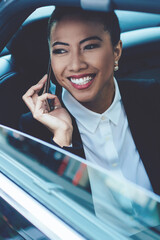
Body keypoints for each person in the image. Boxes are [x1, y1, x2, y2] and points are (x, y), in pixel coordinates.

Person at [20, 7, 160, 195]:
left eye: (90, 46)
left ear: (116, 51)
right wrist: (63, 138)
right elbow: (56, 207)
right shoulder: (34, 130)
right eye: (61, 50)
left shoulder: (153, 97)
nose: (76, 65)